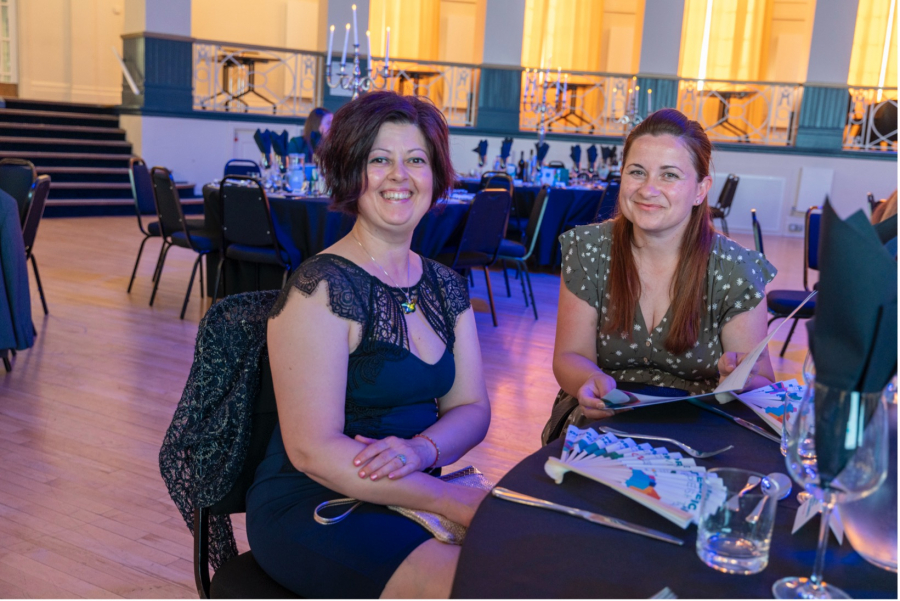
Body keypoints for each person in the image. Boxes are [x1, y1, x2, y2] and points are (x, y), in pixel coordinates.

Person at [246, 91, 491, 598]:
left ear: (436, 176)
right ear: (351, 173)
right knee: (475, 586)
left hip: (413, 490)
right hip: (315, 503)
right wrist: (450, 501)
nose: (399, 175)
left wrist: (422, 450)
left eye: (416, 160)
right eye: (379, 160)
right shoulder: (322, 288)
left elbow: (471, 406)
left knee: (535, 565)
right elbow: (313, 451)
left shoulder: (446, 286)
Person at [544, 108, 777, 444]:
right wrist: (589, 380)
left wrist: (742, 376)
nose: (648, 189)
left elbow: (764, 383)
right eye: (637, 172)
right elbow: (570, 355)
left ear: (700, 189)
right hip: (602, 420)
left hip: (698, 427)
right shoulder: (588, 250)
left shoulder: (735, 269)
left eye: (669, 175)